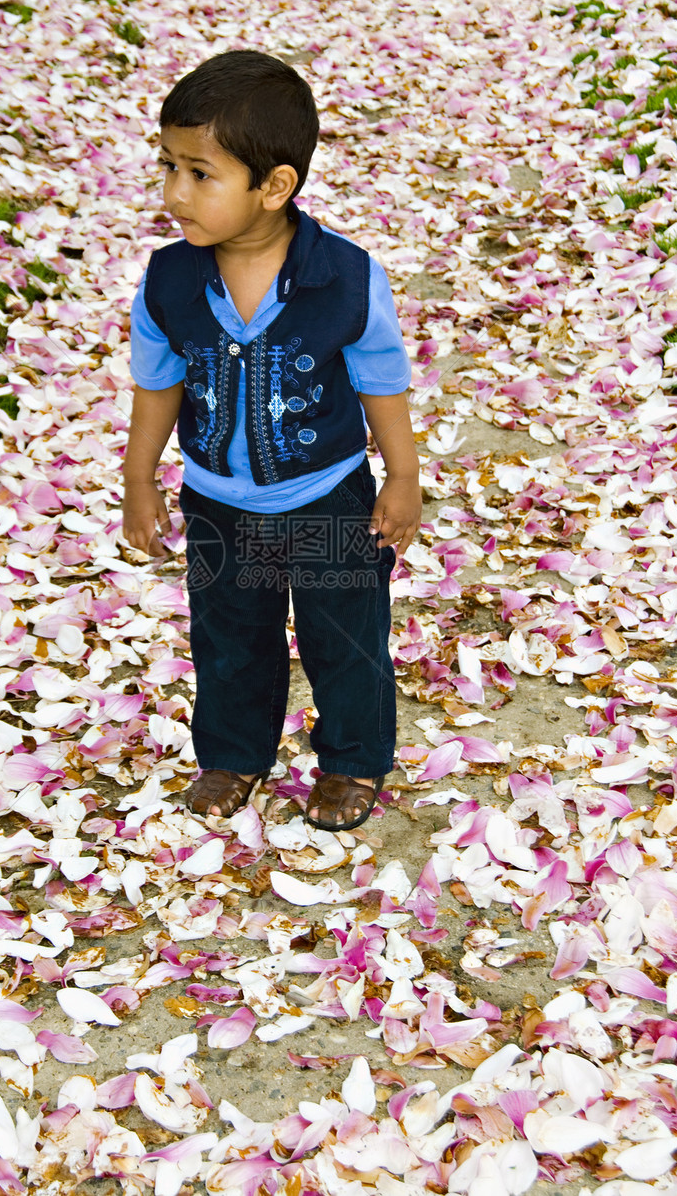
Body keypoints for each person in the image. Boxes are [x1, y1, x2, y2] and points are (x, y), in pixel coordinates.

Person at [122, 50, 421, 831]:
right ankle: (233, 752)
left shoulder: (345, 278)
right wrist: (140, 481)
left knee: (344, 637)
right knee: (228, 637)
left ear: (275, 186)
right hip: (218, 505)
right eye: (168, 166)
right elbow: (157, 387)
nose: (173, 193)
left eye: (198, 173)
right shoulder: (168, 283)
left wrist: (401, 477)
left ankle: (353, 757)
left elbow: (382, 382)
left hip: (325, 497)